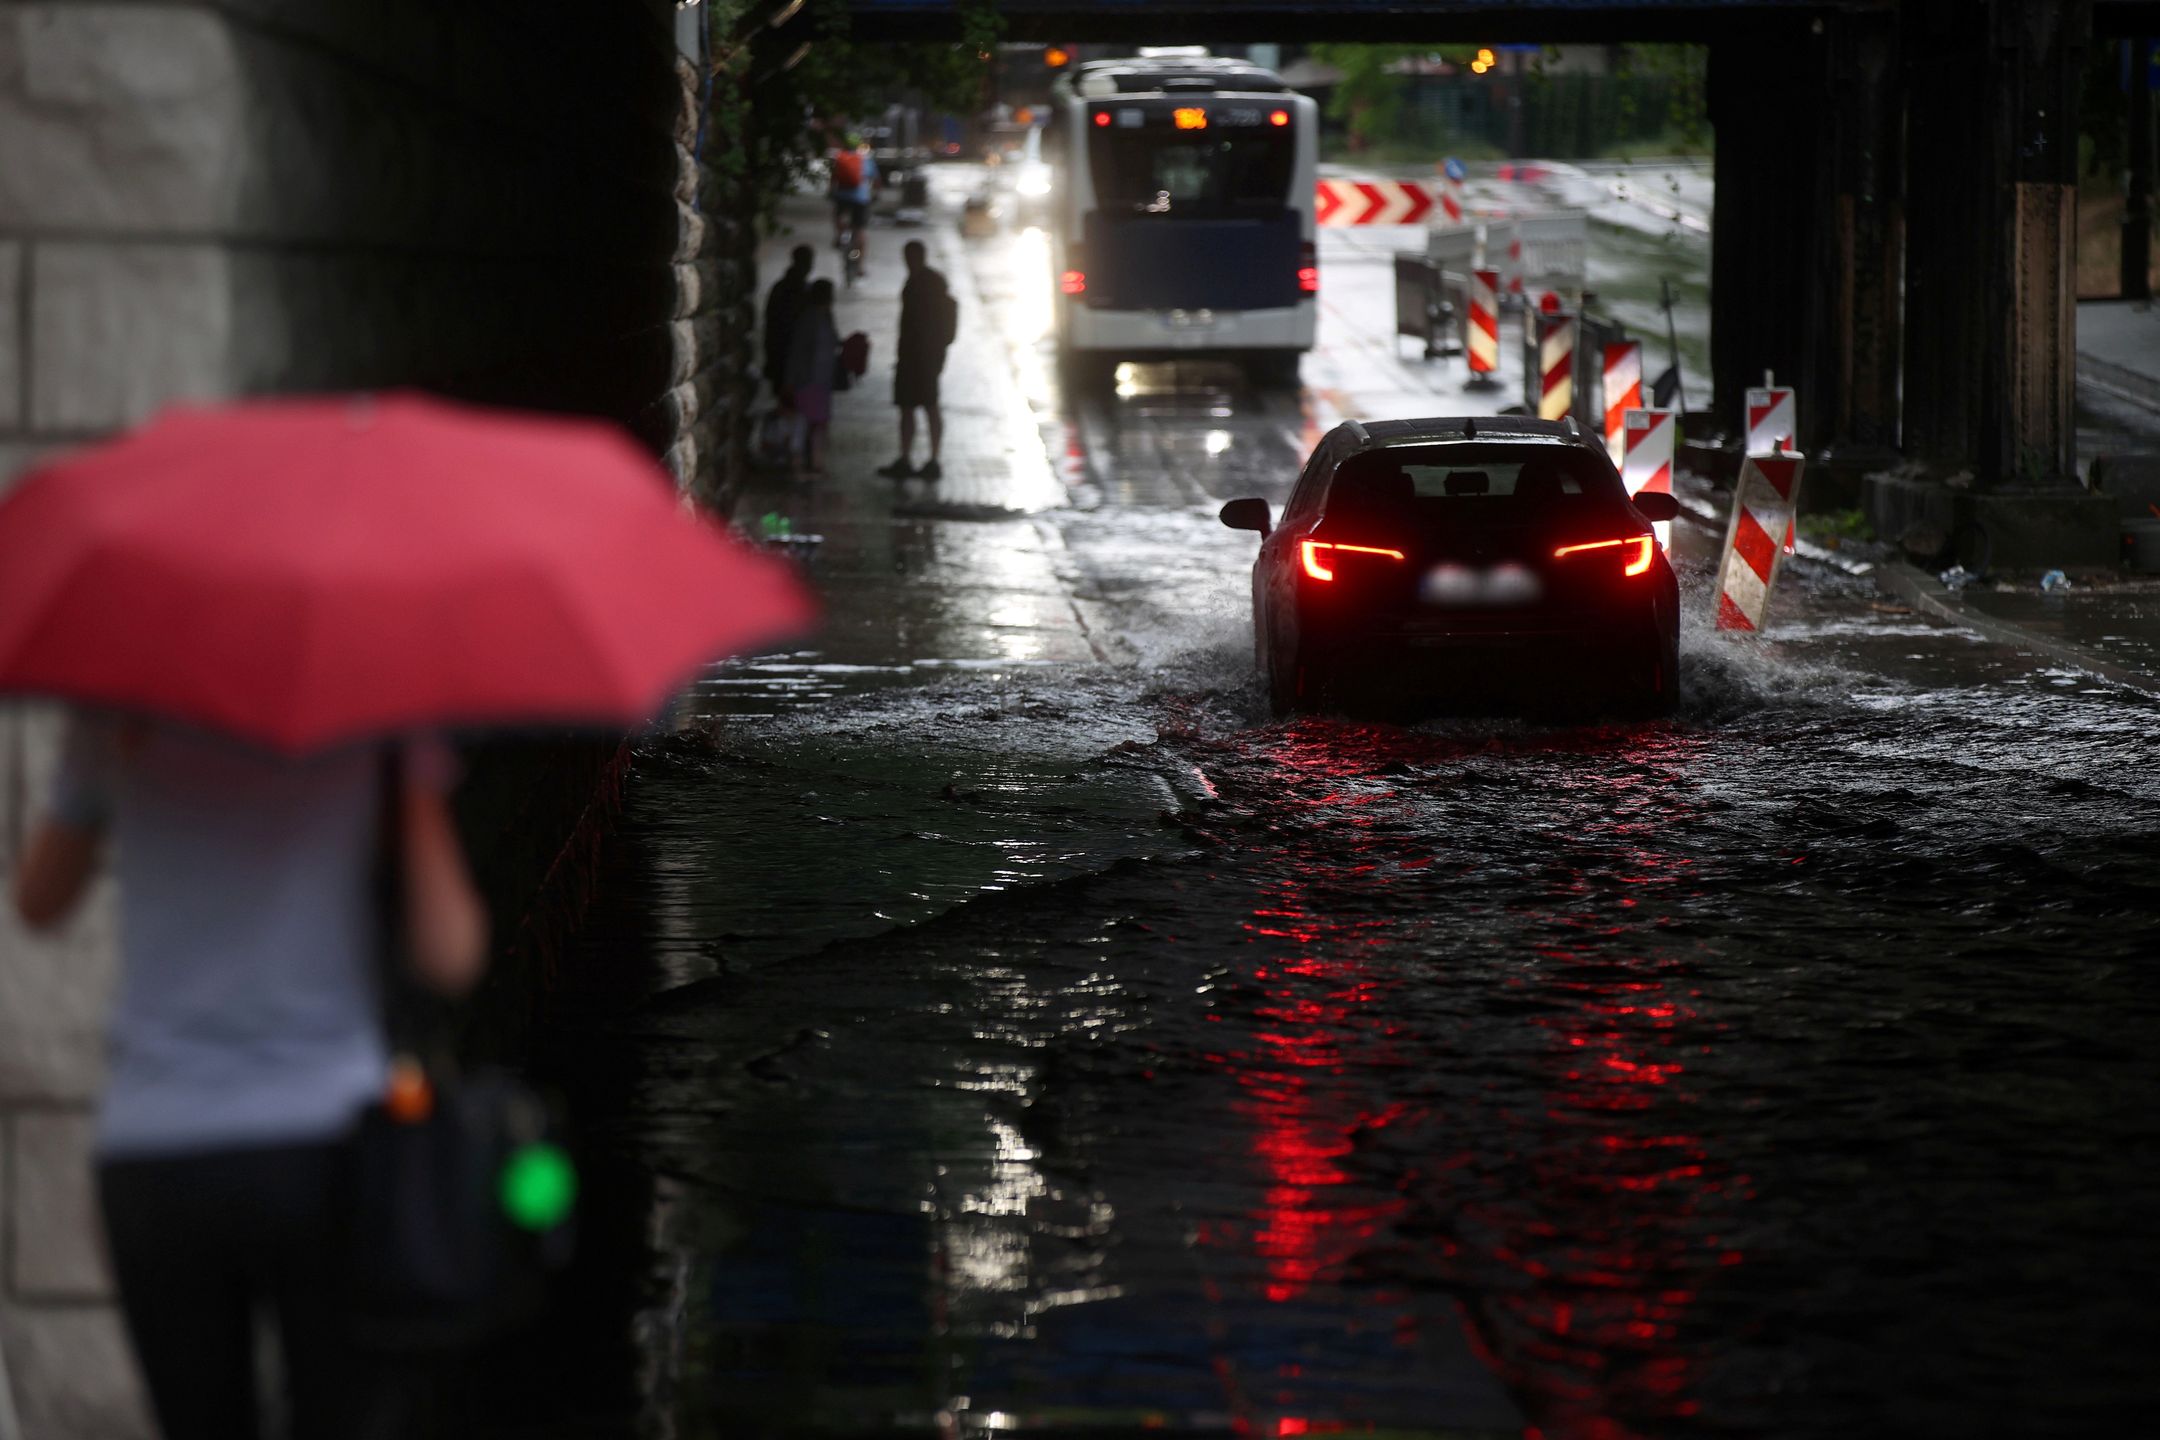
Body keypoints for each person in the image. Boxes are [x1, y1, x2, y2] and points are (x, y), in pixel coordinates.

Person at [10, 717, 489, 1440]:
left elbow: (39, 902)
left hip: (157, 1151)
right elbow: (448, 953)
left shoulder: (115, 717)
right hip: (327, 1148)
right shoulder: (377, 725)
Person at [877, 241, 957, 482]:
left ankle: (917, 458)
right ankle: (925, 458)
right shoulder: (928, 282)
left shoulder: (920, 284)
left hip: (919, 358)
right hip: (922, 358)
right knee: (919, 407)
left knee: (916, 408)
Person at [783, 278, 841, 480]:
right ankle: (799, 464)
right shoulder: (810, 320)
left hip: (820, 382)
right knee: (804, 423)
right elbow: (798, 353)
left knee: (816, 424)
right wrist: (790, 381)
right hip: (808, 381)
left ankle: (815, 463)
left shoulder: (823, 318)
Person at [763, 244, 814, 401]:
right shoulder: (802, 291)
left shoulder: (780, 287)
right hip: (789, 352)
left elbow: (769, 321)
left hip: (781, 351)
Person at [830, 135, 877, 259]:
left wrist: (830, 192)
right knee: (860, 230)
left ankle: (839, 236)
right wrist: (876, 194)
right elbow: (876, 180)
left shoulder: (840, 158)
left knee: (838, 217)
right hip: (861, 199)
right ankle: (861, 266)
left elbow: (833, 178)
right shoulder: (866, 159)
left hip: (842, 197)